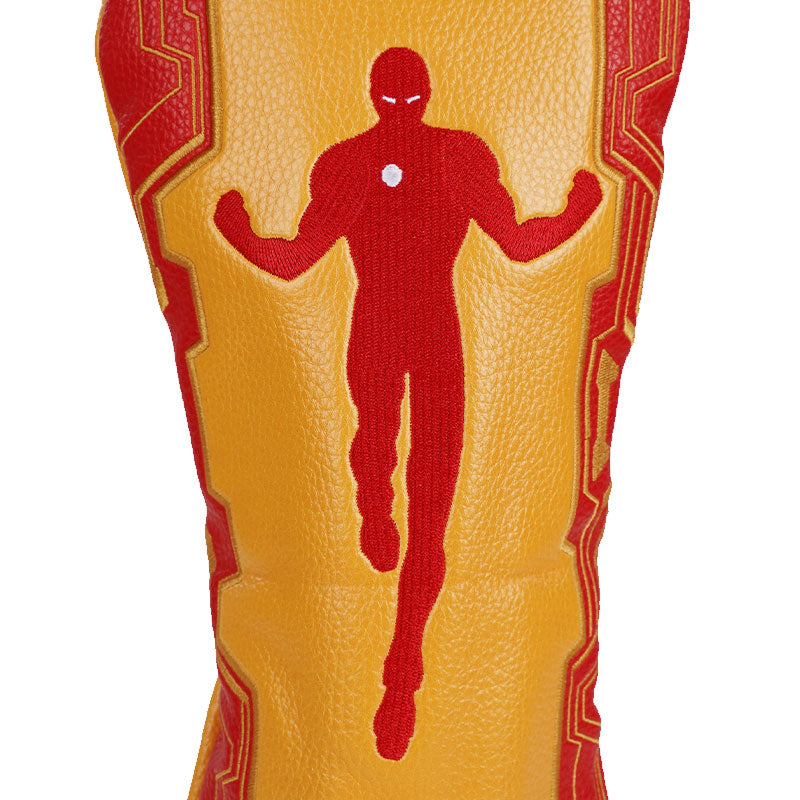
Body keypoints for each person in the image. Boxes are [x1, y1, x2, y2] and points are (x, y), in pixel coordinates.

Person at [214, 46, 602, 761]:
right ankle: (372, 502)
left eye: (403, 99)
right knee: (383, 459)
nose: (398, 111)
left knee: (429, 513)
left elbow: (514, 244)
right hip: (397, 334)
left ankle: (402, 674)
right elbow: (299, 258)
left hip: (422, 340)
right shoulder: (372, 162)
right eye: (395, 99)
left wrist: (579, 210)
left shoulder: (423, 158)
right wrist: (579, 207)